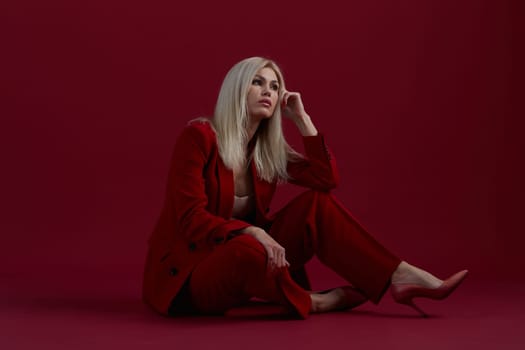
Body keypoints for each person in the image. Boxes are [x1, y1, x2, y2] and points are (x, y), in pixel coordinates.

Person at [141, 56, 468, 319]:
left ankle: (398, 275)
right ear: (237, 89)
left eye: (274, 85)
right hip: (191, 275)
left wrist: (302, 118)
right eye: (257, 82)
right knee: (249, 248)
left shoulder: (266, 153)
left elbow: (326, 180)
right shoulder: (199, 138)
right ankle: (312, 302)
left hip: (249, 265)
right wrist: (252, 231)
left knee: (316, 205)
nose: (267, 91)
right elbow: (190, 219)